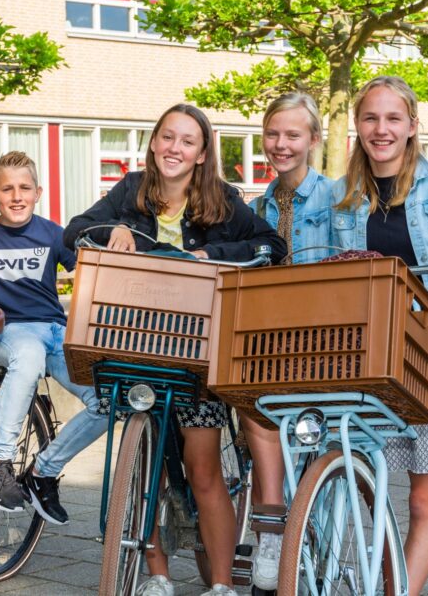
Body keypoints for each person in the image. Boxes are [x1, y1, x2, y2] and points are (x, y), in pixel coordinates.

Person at [64, 103, 287, 596]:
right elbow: (72, 235)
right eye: (168, 137)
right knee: (141, 469)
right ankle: (157, 575)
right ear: (154, 141)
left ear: (202, 153)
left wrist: (209, 255)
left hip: (196, 354)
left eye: (187, 141)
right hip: (135, 344)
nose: (174, 148)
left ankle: (223, 585)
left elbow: (271, 246)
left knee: (203, 468)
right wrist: (110, 231)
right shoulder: (129, 191)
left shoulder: (223, 201)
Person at [331, 75, 428, 594]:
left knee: (425, 499)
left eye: (392, 119)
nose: (381, 129)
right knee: (423, 497)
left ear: (411, 127)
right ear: (357, 127)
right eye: (370, 118)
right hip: (378, 348)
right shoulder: (342, 196)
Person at [0, 151, 109, 523]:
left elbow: (90, 269)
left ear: (38, 192)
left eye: (24, 188)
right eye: (7, 189)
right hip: (9, 332)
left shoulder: (52, 232)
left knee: (108, 400)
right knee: (29, 354)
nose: (16, 196)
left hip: (55, 332)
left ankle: (42, 472)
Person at [243, 91, 332, 591]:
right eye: (273, 134)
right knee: (252, 404)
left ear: (314, 140)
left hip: (324, 338)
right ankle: (272, 533)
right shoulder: (256, 206)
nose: (281, 144)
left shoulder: (339, 196)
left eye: (293, 135)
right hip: (272, 340)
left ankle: (309, 519)